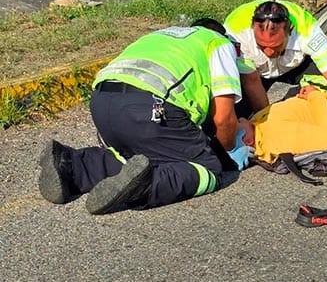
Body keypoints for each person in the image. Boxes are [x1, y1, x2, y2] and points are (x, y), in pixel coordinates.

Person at [37, 18, 254, 215]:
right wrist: (229, 150)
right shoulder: (218, 43)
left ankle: (72, 166)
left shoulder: (164, 35)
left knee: (137, 156)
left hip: (102, 101)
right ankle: (146, 185)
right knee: (209, 169)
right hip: (149, 107)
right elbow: (223, 118)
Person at [224, 0, 327, 128]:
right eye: (262, 46)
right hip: (256, 73)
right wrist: (268, 125)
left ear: (290, 31)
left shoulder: (307, 30)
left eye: (276, 45)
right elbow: (251, 82)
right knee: (231, 116)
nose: (268, 53)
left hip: (298, 67)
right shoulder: (236, 34)